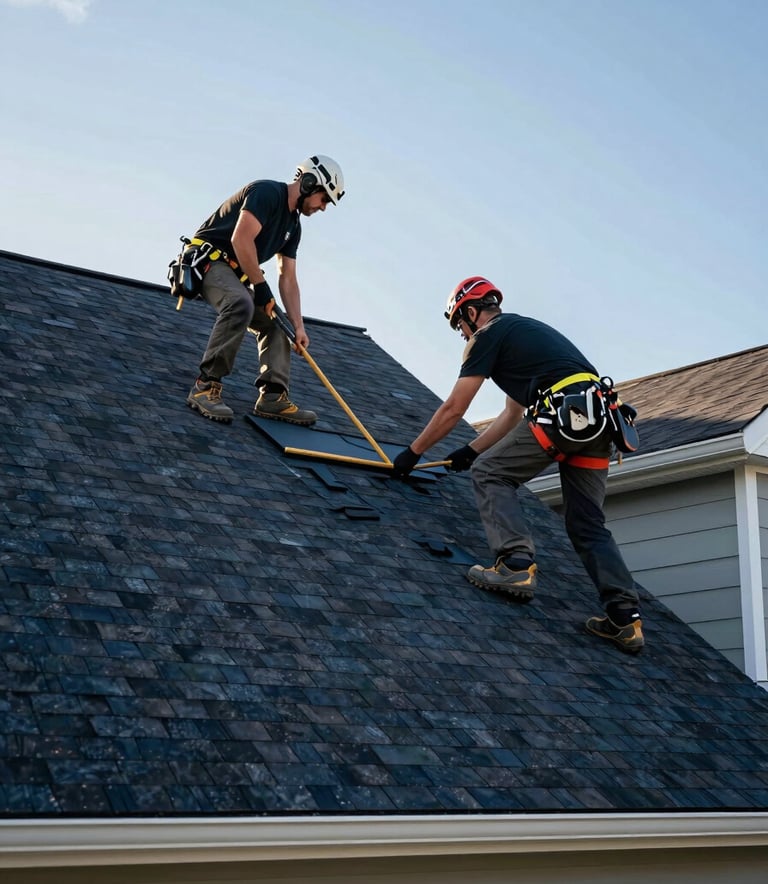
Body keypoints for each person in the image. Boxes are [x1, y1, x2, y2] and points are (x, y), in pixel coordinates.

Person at [392, 276, 644, 654]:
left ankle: (514, 564)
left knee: (491, 474)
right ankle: (625, 619)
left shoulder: (486, 335)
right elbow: (511, 413)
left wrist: (413, 452)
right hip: (598, 422)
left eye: (459, 325)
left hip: (562, 415)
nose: (461, 335)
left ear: (471, 312)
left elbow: (454, 408)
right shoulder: (526, 334)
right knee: (587, 524)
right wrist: (471, 450)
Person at [184, 155, 345, 424]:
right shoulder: (267, 192)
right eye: (324, 198)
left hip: (239, 273)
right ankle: (204, 386)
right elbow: (241, 238)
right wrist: (259, 286)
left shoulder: (293, 227)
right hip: (209, 261)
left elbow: (288, 278)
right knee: (241, 304)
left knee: (277, 323)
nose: (324, 207)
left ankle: (272, 397)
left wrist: (298, 326)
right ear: (308, 183)